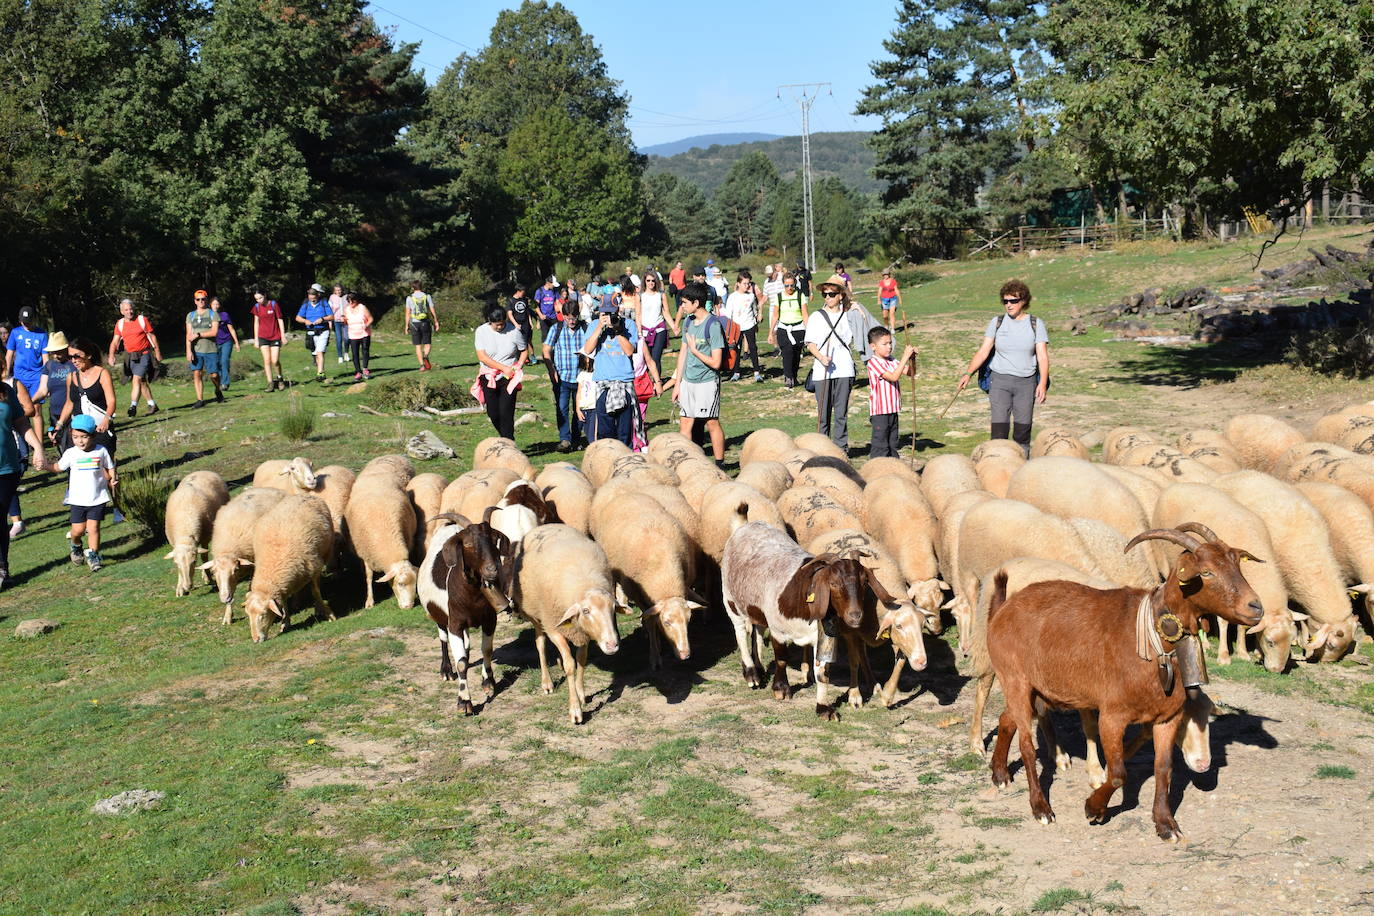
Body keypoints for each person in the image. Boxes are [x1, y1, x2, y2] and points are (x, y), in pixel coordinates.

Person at [956, 279, 1049, 454]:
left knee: (1022, 432)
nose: (1009, 305)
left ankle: (1021, 468)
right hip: (999, 381)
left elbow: (1042, 356)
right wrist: (968, 373)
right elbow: (983, 351)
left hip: (1026, 383)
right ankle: (997, 466)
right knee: (999, 432)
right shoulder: (997, 322)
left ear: (1023, 301)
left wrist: (1042, 383)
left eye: (1013, 301)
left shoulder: (1036, 324)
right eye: (1005, 301)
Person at [670, 281, 725, 464]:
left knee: (711, 423)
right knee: (685, 423)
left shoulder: (713, 325)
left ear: (696, 303)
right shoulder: (688, 322)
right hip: (688, 382)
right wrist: (678, 384)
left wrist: (696, 351)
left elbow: (716, 363)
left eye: (685, 302)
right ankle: (686, 463)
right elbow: (683, 354)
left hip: (707, 382)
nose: (682, 306)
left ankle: (719, 464)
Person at [0, 376, 45, 589]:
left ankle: (2, 568)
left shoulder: (6, 392)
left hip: (7, 466)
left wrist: (38, 448)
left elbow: (21, 423)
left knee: (0, 519)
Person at [57, 414, 116, 571]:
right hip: (77, 499)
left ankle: (94, 556)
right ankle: (76, 545)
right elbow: (58, 467)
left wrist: (113, 478)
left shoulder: (101, 451)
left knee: (93, 528)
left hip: (97, 498)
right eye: (76, 437)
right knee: (78, 530)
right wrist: (44, 465)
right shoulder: (71, 453)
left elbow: (110, 467)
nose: (80, 441)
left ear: (93, 436)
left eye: (84, 437)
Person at [805, 274, 857, 453]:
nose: (828, 297)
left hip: (844, 369)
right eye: (825, 294)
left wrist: (860, 310)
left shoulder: (849, 315)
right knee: (823, 414)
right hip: (822, 370)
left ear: (841, 295)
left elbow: (866, 331)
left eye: (832, 294)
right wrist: (820, 357)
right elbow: (810, 343)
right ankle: (821, 448)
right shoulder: (816, 317)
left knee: (841, 414)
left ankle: (841, 449)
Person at [581, 298, 638, 447]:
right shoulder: (594, 325)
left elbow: (629, 351)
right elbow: (587, 350)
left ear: (618, 311)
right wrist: (600, 326)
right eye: (604, 312)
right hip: (603, 383)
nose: (608, 316)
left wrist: (618, 331)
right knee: (605, 431)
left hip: (624, 382)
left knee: (624, 431)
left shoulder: (629, 324)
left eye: (611, 312)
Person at [53, 338, 118, 456]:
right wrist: (59, 425)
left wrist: (106, 420)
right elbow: (69, 403)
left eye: (77, 356)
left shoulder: (102, 374)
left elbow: (111, 401)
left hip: (99, 429)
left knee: (106, 468)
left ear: (88, 355)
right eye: (70, 357)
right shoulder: (71, 377)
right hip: (79, 432)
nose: (73, 360)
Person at [474, 303, 529, 440]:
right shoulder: (481, 332)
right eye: (496, 325)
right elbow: (482, 357)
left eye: (502, 324)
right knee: (493, 413)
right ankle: (506, 437)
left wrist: (519, 365)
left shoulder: (514, 331)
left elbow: (524, 350)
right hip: (489, 376)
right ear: (489, 321)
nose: (499, 327)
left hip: (509, 378)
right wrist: (502, 367)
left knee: (506, 412)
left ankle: (508, 442)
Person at [542, 304, 590, 452]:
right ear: (563, 316)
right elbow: (546, 350)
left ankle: (576, 438)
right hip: (561, 377)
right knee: (562, 408)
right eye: (568, 318)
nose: (572, 321)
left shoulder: (585, 328)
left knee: (580, 409)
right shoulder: (556, 329)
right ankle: (565, 439)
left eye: (574, 317)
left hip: (581, 377)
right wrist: (551, 370)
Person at [865, 327, 917, 458]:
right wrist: (905, 356)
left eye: (890, 343)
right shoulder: (873, 363)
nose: (889, 347)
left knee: (893, 444)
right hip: (880, 412)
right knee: (880, 446)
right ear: (873, 346)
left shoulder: (892, 360)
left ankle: (893, 471)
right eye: (885, 344)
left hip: (892, 409)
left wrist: (912, 359)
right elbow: (894, 377)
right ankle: (876, 473)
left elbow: (910, 372)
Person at [106, 299, 161, 417]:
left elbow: (152, 336)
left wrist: (157, 352)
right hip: (130, 356)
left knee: (136, 379)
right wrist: (111, 355)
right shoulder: (120, 324)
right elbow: (115, 342)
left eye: (131, 309)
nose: (129, 311)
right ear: (122, 311)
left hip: (144, 354)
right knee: (141, 381)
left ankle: (133, 406)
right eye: (126, 310)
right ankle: (152, 404)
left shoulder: (142, 320)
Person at [768, 273, 810, 388]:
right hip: (783, 329)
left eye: (791, 285)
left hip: (798, 329)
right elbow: (775, 315)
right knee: (787, 352)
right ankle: (788, 377)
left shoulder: (800, 295)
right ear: (783, 285)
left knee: (796, 354)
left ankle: (794, 376)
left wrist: (809, 331)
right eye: (786, 286)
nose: (789, 288)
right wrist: (771, 332)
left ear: (795, 284)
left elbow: (805, 314)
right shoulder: (779, 297)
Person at [185, 290, 223, 408]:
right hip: (196, 350)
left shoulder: (213, 314)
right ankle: (200, 400)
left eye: (203, 299)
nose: (201, 301)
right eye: (198, 299)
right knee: (197, 373)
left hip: (211, 350)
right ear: (195, 301)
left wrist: (199, 334)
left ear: (207, 300)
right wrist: (188, 350)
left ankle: (217, 389)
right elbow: (188, 335)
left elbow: (214, 332)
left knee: (214, 375)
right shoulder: (190, 315)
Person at [723, 271, 762, 383]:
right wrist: (729, 329)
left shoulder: (751, 296)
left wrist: (756, 318)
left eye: (748, 283)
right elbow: (728, 314)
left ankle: (757, 372)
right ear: (738, 283)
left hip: (749, 324)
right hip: (736, 326)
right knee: (736, 349)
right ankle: (736, 372)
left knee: (753, 348)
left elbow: (754, 309)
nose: (747, 285)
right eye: (744, 283)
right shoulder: (732, 297)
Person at [637, 270, 677, 377]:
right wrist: (639, 332)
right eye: (648, 280)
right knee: (646, 358)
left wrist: (674, 326)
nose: (651, 283)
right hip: (645, 331)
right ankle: (646, 383)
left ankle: (657, 383)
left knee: (656, 357)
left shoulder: (661, 295)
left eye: (653, 281)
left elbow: (666, 312)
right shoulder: (640, 296)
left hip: (659, 329)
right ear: (644, 281)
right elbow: (638, 315)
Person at [5, 307, 48, 397]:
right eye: (24, 322)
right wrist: (6, 375)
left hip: (36, 375)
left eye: (28, 321)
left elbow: (45, 358)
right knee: (21, 405)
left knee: (36, 406)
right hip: (19, 375)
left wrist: (46, 378)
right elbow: (9, 355)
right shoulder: (15, 332)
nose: (26, 324)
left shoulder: (42, 334)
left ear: (33, 319)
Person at [295, 283, 334, 381]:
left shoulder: (324, 302)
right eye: (310, 296)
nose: (312, 298)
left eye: (314, 296)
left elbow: (331, 316)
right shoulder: (306, 303)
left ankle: (320, 373)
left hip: (323, 330)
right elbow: (298, 318)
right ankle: (321, 371)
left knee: (320, 352)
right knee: (316, 353)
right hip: (311, 332)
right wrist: (305, 321)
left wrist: (322, 319)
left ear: (318, 295)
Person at [250, 290, 287, 391]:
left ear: (265, 295)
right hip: (262, 337)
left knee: (275, 360)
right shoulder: (256, 307)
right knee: (266, 360)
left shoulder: (274, 305)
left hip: (275, 336)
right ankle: (270, 383)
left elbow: (280, 320)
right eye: (256, 299)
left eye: (260, 298)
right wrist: (256, 339)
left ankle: (280, 379)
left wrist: (283, 336)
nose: (259, 301)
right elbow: (256, 323)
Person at [403, 280, 439, 372]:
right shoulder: (427, 296)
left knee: (418, 346)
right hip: (425, 322)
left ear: (412, 288)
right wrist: (436, 321)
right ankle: (426, 356)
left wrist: (406, 326)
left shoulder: (409, 298)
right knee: (427, 343)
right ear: (421, 286)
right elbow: (432, 309)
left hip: (414, 324)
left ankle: (422, 365)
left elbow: (407, 313)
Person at [342, 291, 373, 380]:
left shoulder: (362, 308)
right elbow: (345, 322)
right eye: (349, 301)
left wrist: (366, 325)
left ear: (357, 300)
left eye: (353, 301)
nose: (351, 303)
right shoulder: (347, 309)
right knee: (355, 353)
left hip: (364, 333)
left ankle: (365, 369)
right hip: (353, 334)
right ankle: (358, 372)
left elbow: (370, 319)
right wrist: (343, 320)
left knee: (365, 351)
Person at [211, 298, 241, 389]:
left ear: (219, 305)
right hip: (214, 343)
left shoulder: (224, 315)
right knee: (217, 363)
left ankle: (225, 383)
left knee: (224, 361)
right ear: (210, 305)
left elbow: (231, 329)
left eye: (217, 304)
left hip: (226, 341)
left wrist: (236, 342)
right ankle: (220, 382)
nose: (215, 306)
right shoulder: (209, 316)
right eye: (213, 304)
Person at [507, 282, 535, 362]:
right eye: (522, 292)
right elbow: (510, 314)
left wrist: (530, 322)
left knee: (526, 341)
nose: (523, 294)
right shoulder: (511, 301)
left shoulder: (524, 300)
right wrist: (515, 324)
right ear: (518, 291)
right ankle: (517, 358)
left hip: (525, 323)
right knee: (516, 341)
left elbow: (527, 312)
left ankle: (526, 358)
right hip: (515, 324)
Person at [533, 276, 559, 356]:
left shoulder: (554, 291)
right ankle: (546, 355)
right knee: (545, 337)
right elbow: (535, 306)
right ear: (548, 283)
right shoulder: (539, 291)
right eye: (553, 284)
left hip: (554, 317)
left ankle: (554, 354)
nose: (554, 286)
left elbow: (558, 303)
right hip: (544, 318)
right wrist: (540, 315)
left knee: (555, 336)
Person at [329, 283, 348, 364]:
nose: (338, 291)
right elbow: (329, 310)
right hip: (336, 321)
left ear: (342, 290)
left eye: (339, 290)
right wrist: (329, 321)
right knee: (339, 339)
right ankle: (340, 356)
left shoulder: (346, 297)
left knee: (347, 338)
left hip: (346, 320)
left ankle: (346, 353)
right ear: (334, 291)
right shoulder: (332, 297)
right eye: (336, 290)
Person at [878, 268, 902, 334]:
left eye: (887, 274)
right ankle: (886, 326)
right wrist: (878, 299)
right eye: (884, 274)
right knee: (885, 316)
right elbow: (879, 291)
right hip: (884, 299)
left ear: (889, 274)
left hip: (893, 299)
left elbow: (896, 290)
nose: (886, 276)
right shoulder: (882, 282)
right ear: (883, 275)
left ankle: (893, 329)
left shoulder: (893, 281)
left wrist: (899, 299)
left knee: (892, 314)